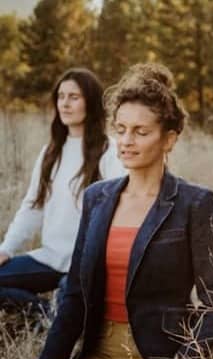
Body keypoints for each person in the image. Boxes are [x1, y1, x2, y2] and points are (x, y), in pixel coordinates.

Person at [0, 63, 213, 359]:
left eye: (141, 132)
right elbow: (74, 289)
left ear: (169, 139)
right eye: (120, 129)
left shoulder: (196, 203)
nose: (126, 141)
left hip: (163, 356)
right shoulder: (98, 198)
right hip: (103, 356)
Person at [0, 68, 125, 317]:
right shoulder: (51, 152)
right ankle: (44, 313)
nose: (65, 104)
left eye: (74, 97)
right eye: (61, 96)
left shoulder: (109, 150)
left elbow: (119, 213)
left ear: (90, 102)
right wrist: (6, 249)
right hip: (49, 257)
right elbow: (32, 207)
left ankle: (61, 312)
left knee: (74, 310)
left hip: (85, 265)